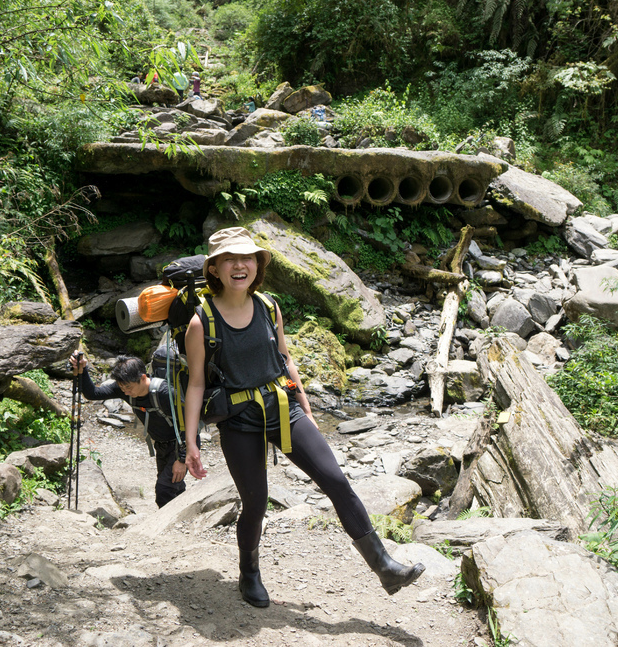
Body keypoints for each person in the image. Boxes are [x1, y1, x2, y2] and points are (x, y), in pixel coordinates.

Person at [183, 227, 424, 609]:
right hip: (239, 420)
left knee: (336, 481)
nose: (239, 265)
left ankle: (384, 567)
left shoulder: (267, 305)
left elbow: (285, 356)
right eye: (229, 259)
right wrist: (191, 442)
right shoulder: (202, 322)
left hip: (284, 408)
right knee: (256, 503)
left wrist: (306, 407)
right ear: (214, 269)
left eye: (246, 258)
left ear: (256, 265)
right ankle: (249, 572)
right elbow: (196, 385)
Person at [70, 352, 191, 508]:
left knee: (164, 490)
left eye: (128, 387)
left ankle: (167, 528)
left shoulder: (165, 393)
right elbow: (93, 393)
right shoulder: (124, 387)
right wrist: (82, 369)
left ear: (142, 378)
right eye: (122, 387)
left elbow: (190, 425)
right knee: (174, 486)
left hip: (181, 444)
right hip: (161, 445)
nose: (125, 392)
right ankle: (184, 518)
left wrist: (182, 459)